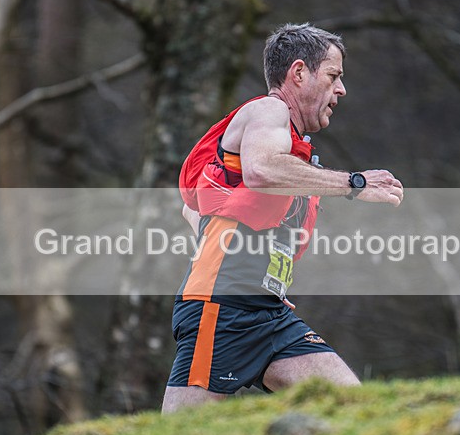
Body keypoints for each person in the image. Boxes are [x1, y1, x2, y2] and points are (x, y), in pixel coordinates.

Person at [162, 23, 404, 413]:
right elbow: (261, 171)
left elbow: (195, 209)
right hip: (220, 309)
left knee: (355, 408)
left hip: (267, 313)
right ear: (298, 73)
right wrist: (354, 183)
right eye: (334, 76)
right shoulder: (268, 110)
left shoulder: (293, 145)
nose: (341, 89)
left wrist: (257, 272)